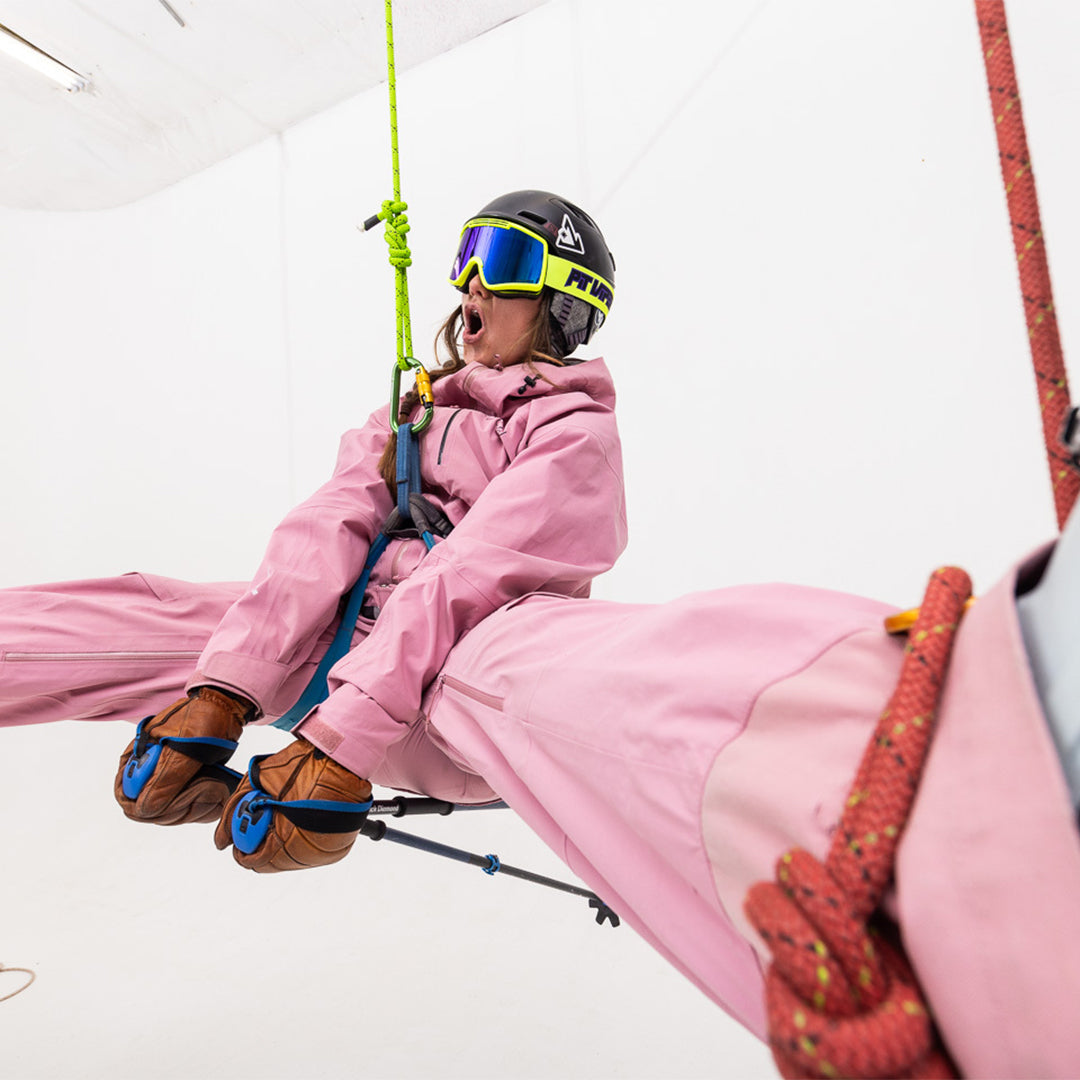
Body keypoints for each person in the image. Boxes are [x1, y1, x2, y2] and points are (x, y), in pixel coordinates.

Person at [3, 189, 1079, 1077]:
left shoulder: (573, 435)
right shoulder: (410, 411)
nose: (470, 286)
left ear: (562, 304)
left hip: (459, 674)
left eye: (502, 262)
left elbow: (472, 575)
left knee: (538, 669)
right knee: (170, 611)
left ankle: (935, 787)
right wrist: (229, 687)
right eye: (467, 260)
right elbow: (322, 531)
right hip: (343, 655)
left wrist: (338, 739)